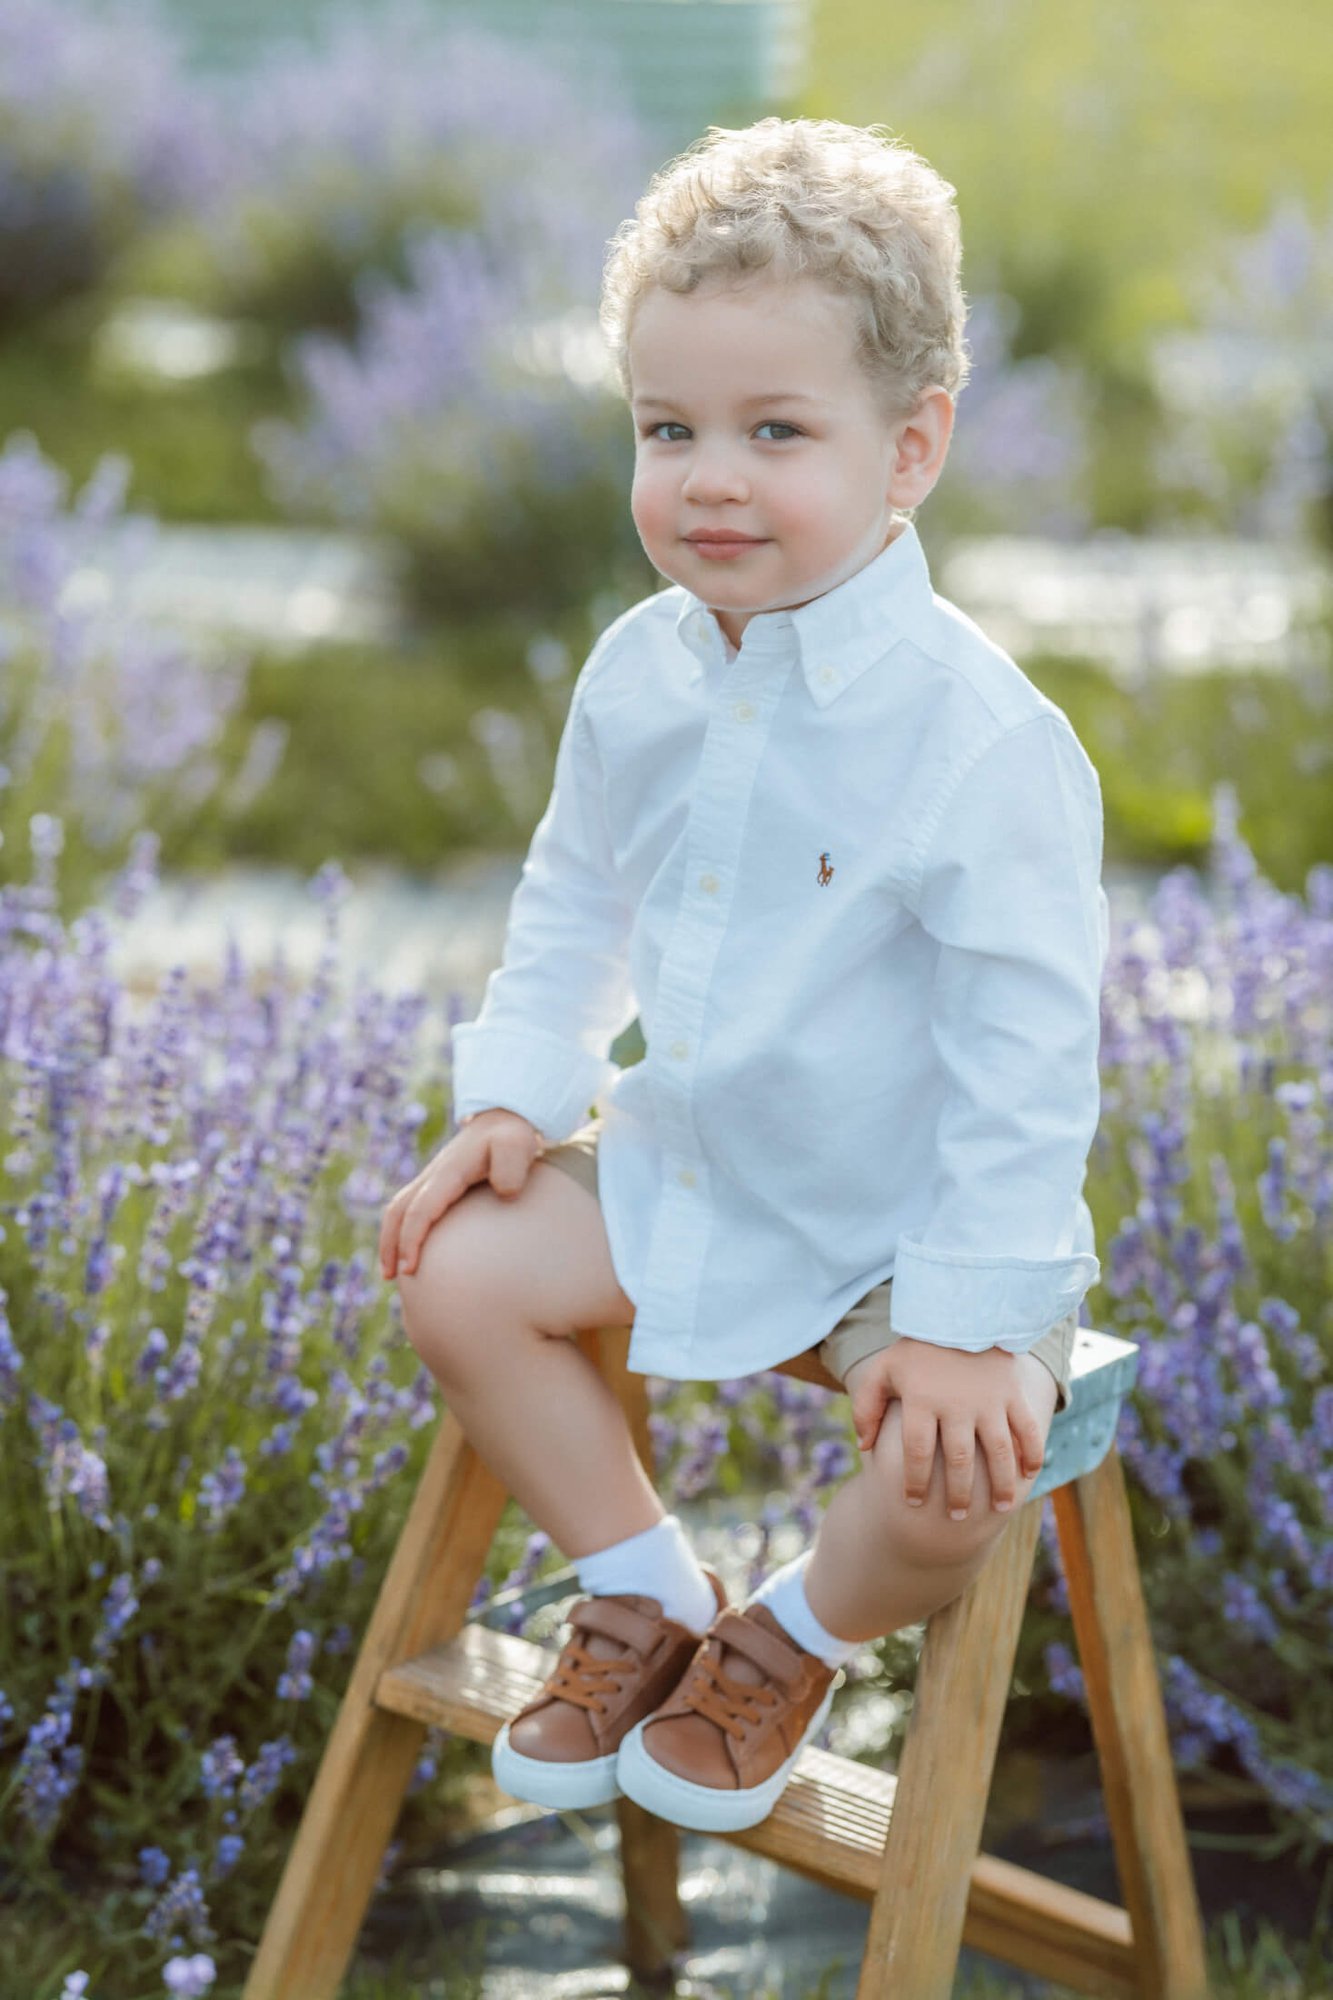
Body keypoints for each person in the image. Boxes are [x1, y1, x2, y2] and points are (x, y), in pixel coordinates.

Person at [379, 116, 1109, 1836]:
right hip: (696, 1156)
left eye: (775, 432)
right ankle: (643, 1586)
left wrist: (962, 1321)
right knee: (452, 1271)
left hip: (903, 1222)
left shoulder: (979, 740)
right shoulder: (637, 673)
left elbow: (1024, 1057)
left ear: (910, 446)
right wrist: (515, 1097)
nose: (710, 477)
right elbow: (573, 898)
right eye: (668, 429)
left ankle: (789, 1637)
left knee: (956, 1473)